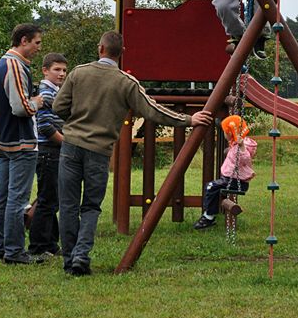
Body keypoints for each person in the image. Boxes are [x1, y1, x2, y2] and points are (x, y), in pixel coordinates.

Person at [53, 31, 213, 276]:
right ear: (122, 53)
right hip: (99, 150)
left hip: (71, 145)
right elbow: (152, 110)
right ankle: (81, 256)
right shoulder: (126, 82)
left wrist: (74, 122)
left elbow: (58, 107)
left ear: (100, 48)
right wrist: (189, 119)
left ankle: (68, 259)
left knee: (68, 205)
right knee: (91, 206)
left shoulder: (78, 73)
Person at [0, 23, 44, 265]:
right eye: (36, 43)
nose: (39, 48)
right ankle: (14, 251)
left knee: (1, 196)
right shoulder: (15, 66)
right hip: (20, 143)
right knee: (17, 199)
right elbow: (20, 107)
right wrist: (38, 102)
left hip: (3, 140)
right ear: (23, 41)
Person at [28, 52, 68, 257]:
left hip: (53, 151)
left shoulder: (56, 91)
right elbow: (44, 126)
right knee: (46, 200)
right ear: (45, 70)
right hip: (48, 151)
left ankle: (51, 244)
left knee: (53, 199)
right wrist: (66, 144)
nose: (61, 74)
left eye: (64, 70)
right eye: (56, 69)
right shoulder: (46, 93)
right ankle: (37, 246)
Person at [193, 115, 257, 229]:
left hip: (237, 182)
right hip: (232, 180)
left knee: (210, 187)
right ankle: (209, 215)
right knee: (212, 187)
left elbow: (245, 159)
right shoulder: (235, 144)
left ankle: (208, 217)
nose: (224, 134)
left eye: (224, 132)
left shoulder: (241, 146)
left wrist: (241, 147)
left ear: (230, 132)